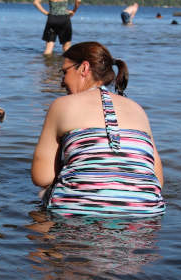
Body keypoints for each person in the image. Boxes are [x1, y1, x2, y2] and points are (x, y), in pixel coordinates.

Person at [31, 41, 165, 217]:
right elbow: (158, 180)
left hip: (77, 214)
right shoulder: (138, 109)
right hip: (146, 213)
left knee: (42, 199)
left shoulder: (61, 105)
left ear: (84, 68)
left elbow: (41, 177)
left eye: (64, 73)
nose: (62, 83)